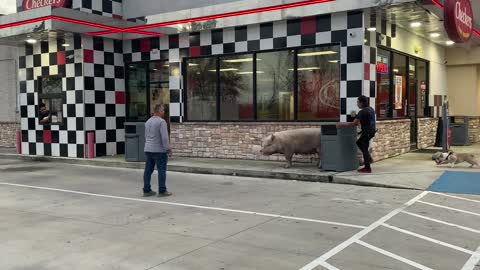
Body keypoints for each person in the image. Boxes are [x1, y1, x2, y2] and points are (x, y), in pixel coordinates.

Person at [336, 96, 376, 173]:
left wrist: (341, 125)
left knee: (364, 148)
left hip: (367, 132)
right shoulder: (371, 109)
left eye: (357, 102)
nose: (357, 104)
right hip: (371, 131)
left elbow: (354, 123)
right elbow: (366, 120)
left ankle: (367, 168)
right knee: (359, 143)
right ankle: (369, 159)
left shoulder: (362, 112)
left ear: (361, 103)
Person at [143, 104, 173, 197]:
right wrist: (168, 149)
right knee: (161, 170)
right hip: (159, 150)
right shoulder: (161, 122)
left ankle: (146, 190)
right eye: (163, 110)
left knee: (148, 170)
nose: (164, 112)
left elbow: (146, 136)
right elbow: (164, 138)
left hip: (148, 149)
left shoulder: (148, 121)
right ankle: (162, 190)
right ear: (159, 111)